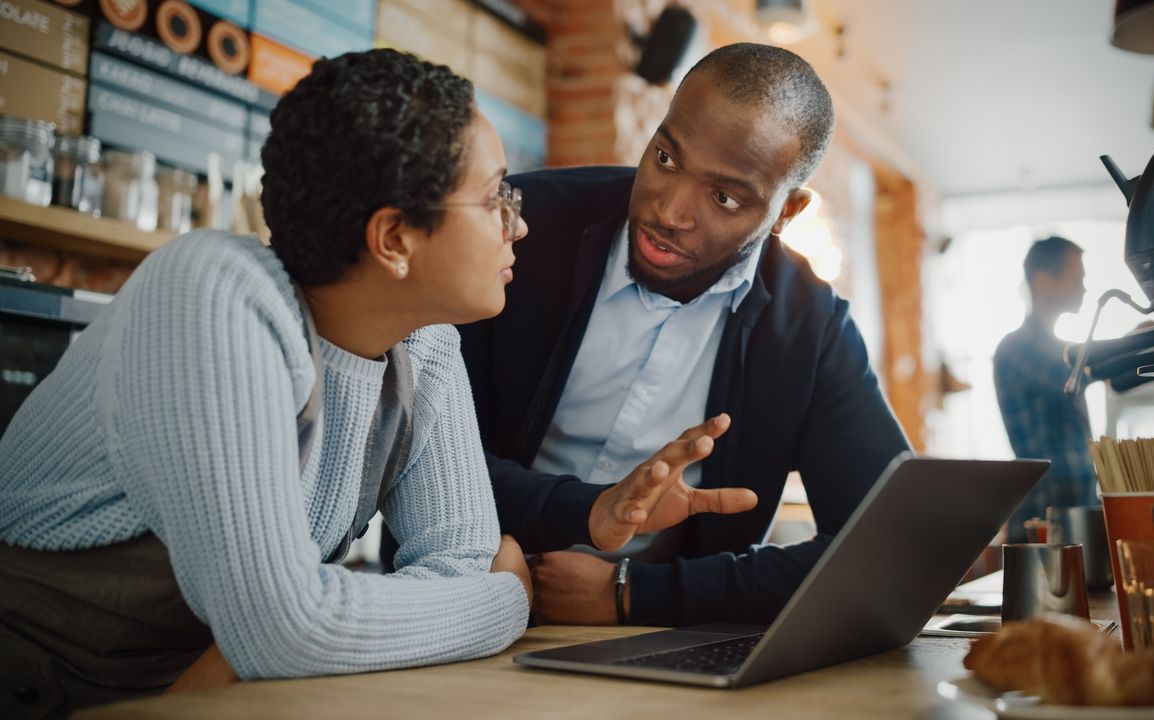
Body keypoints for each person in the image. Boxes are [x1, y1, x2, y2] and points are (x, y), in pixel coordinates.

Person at [0, 49, 739, 716]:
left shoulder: (427, 346)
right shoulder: (212, 297)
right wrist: (508, 597)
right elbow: (288, 630)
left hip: (211, 693)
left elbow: (444, 564)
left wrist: (291, 631)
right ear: (394, 240)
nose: (517, 227)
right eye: (493, 201)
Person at [435, 42, 912, 627]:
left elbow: (889, 552)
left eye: (724, 197)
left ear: (786, 213)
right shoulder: (524, 231)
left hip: (661, 642)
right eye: (665, 157)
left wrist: (634, 592)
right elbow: (425, 451)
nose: (670, 211)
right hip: (458, 606)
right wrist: (585, 513)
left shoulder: (810, 328)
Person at [994, 236, 1097, 542]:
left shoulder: (1058, 347)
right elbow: (1072, 375)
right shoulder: (1016, 347)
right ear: (1042, 280)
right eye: (1076, 278)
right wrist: (1131, 347)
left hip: (1073, 513)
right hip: (1043, 519)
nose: (1083, 288)